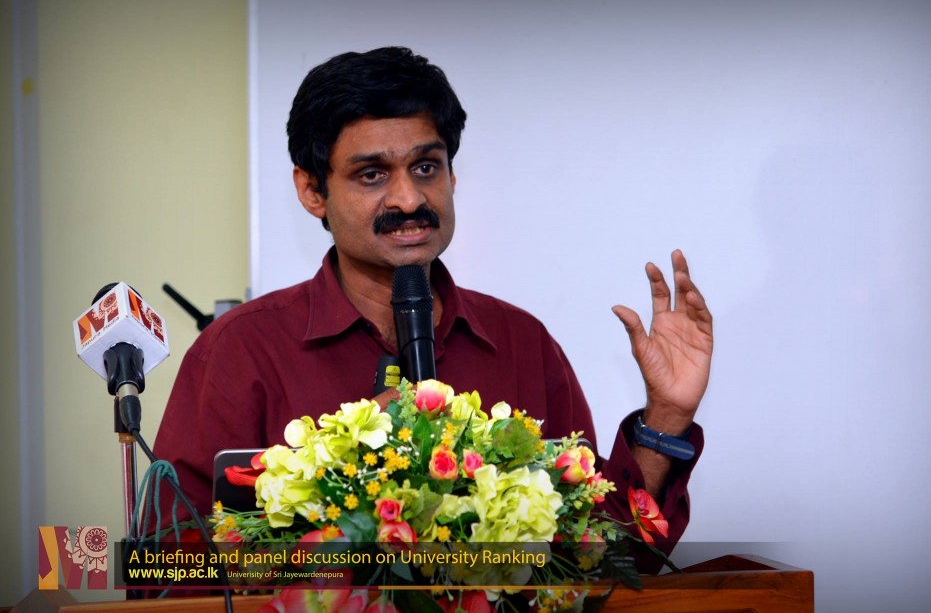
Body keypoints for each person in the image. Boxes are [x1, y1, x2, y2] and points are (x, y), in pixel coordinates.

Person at [153, 46, 713, 562]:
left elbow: (602, 559)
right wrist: (344, 502)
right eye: (372, 174)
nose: (408, 198)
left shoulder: (521, 342)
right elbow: (165, 568)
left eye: (426, 167)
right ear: (312, 191)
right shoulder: (241, 351)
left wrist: (666, 415)